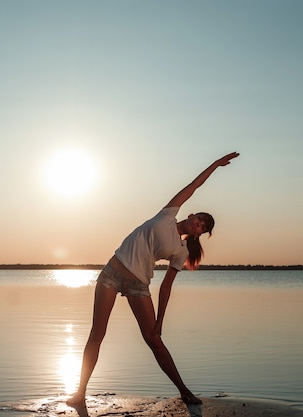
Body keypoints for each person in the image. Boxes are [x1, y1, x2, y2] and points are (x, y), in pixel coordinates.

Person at [66, 152, 240, 407]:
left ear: (200, 233)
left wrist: (160, 321)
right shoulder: (168, 214)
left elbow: (167, 286)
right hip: (112, 273)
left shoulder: (180, 252)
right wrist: (215, 165)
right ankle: (79, 393)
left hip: (138, 285)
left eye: (203, 227)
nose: (198, 224)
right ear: (191, 215)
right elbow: (193, 186)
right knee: (97, 333)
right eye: (199, 219)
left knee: (154, 340)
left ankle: (184, 391)